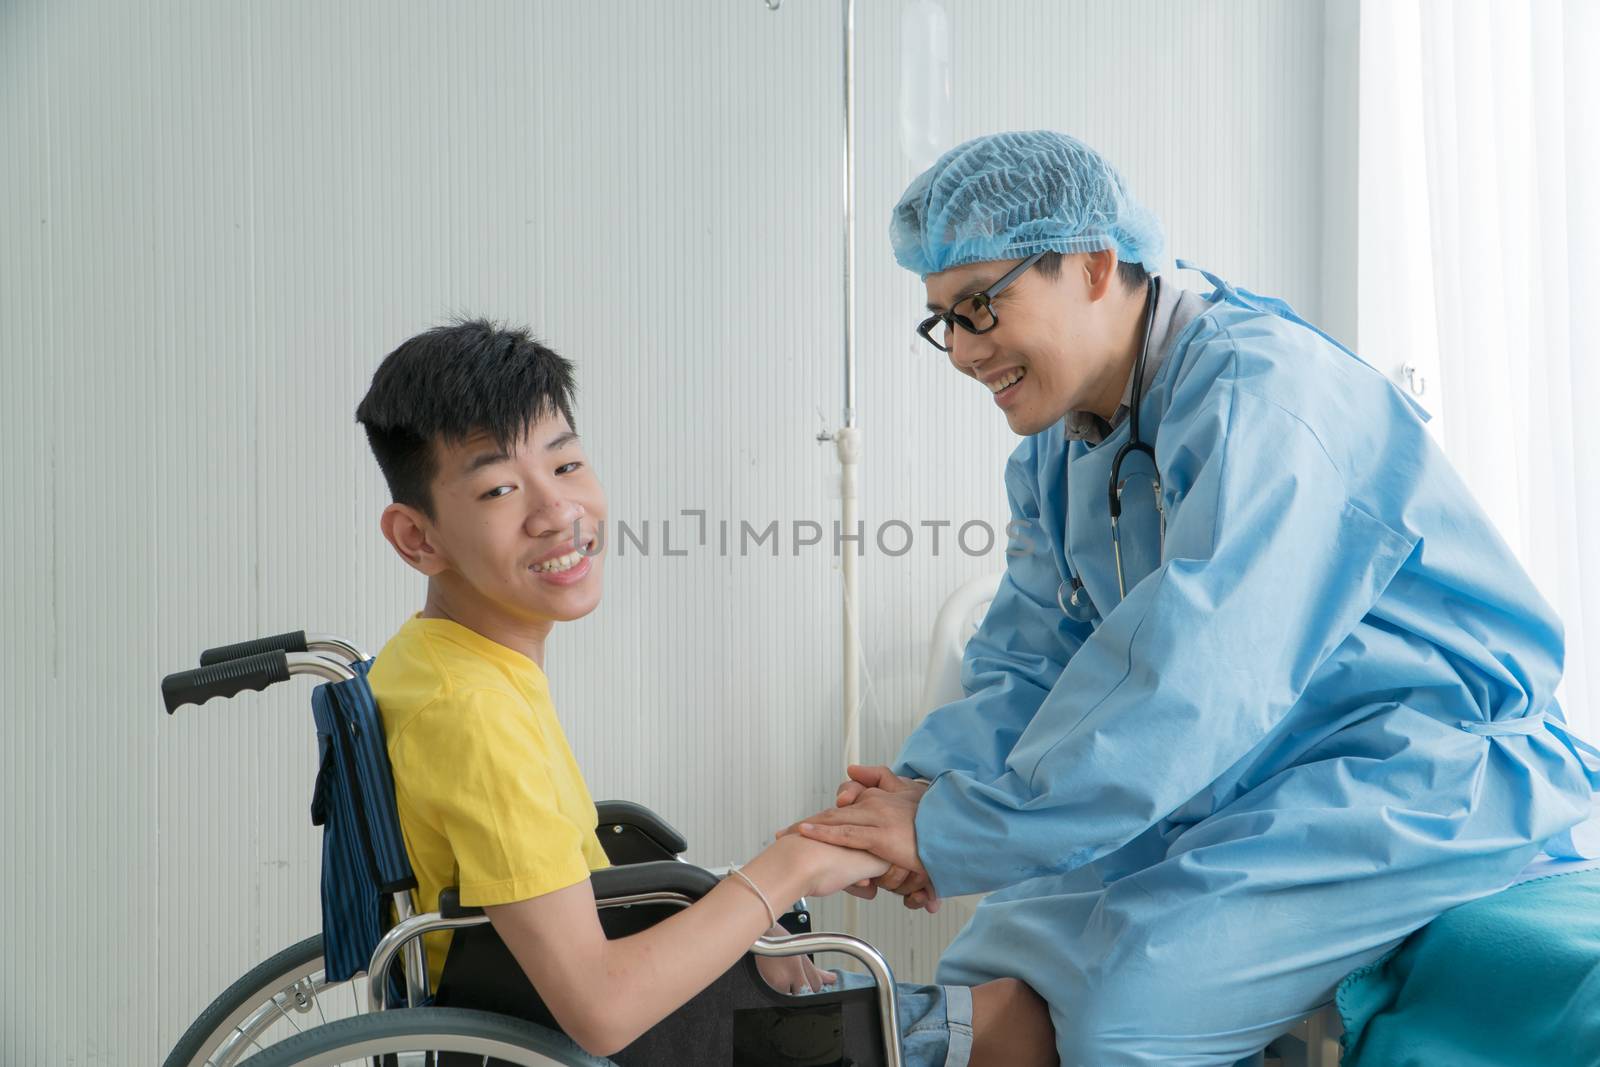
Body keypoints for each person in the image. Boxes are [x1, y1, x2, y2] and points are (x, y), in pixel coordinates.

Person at [788, 130, 1600, 1064]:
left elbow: (1199, 679)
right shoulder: (1056, 454)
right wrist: (922, 794)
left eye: (982, 306)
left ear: (1094, 263)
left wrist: (949, 829)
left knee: (1120, 1016)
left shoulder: (1267, 399)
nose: (964, 350)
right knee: (992, 968)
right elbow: (1026, 667)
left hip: (1414, 773)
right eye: (944, 319)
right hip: (1231, 782)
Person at [354, 319, 1058, 1065]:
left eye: (565, 466)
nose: (557, 511)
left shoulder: (434, 662)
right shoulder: (474, 713)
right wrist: (788, 867)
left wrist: (737, 914)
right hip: (643, 1037)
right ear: (416, 538)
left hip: (614, 993)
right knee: (1017, 1019)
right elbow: (600, 1008)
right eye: (499, 488)